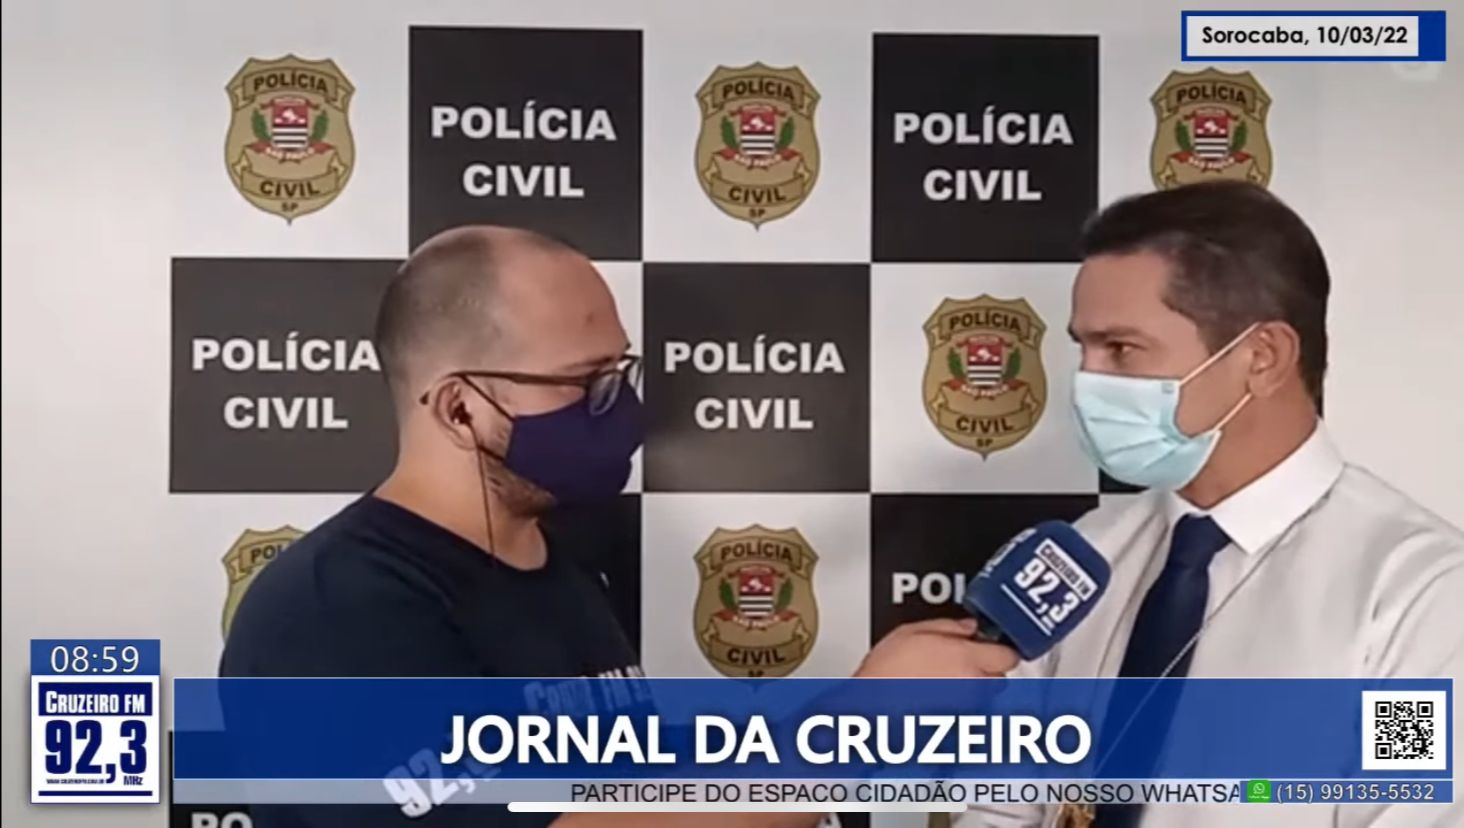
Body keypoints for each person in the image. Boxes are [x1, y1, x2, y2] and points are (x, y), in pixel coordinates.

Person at [222, 225, 1018, 827]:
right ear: (460, 408)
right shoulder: (333, 615)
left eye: (620, 371)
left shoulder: (562, 555)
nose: (626, 411)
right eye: (585, 382)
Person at [958, 181, 1463, 828]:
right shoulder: (1084, 557)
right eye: (1082, 348)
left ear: (1263, 357)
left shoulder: (1419, 596)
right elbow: (998, 806)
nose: (1087, 383)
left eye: (1121, 349)